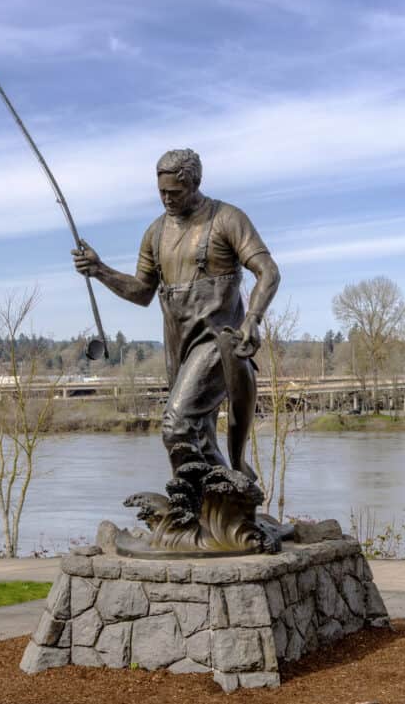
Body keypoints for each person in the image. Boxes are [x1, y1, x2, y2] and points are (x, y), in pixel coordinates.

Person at [73, 148, 280, 474]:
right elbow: (142, 292)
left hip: (217, 340)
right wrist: (100, 271)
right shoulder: (155, 233)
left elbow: (268, 271)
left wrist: (253, 319)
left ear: (195, 183)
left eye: (175, 192)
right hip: (177, 343)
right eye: (162, 192)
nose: (167, 199)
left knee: (177, 424)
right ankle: (221, 506)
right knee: (198, 434)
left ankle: (201, 501)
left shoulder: (226, 219)